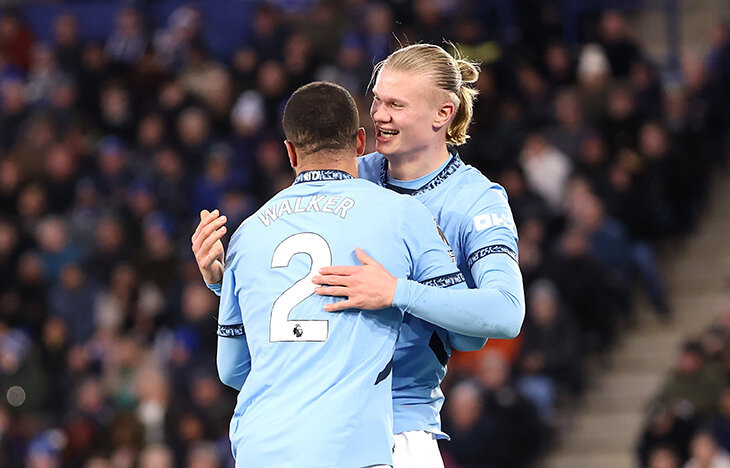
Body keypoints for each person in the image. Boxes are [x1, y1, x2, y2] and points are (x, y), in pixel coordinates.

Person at [193, 44, 525, 467]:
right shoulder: (347, 173)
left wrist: (397, 292)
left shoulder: (475, 201)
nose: (379, 114)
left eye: (396, 105)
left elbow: (505, 312)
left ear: (443, 113)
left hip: (400, 425)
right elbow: (292, 276)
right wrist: (224, 280)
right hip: (321, 421)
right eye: (377, 100)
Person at [211, 81, 464, 467]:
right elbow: (469, 328)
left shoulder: (247, 233)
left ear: (290, 152)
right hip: (350, 449)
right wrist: (400, 293)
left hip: (260, 449)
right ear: (361, 142)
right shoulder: (401, 214)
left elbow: (231, 370)